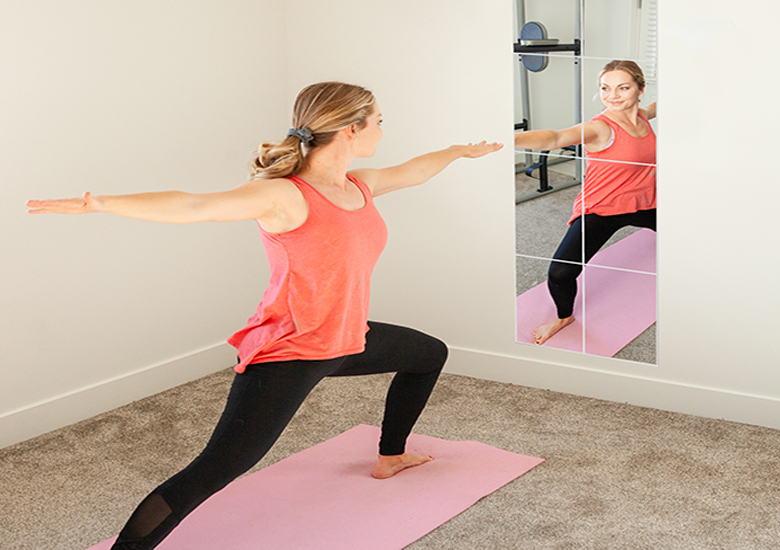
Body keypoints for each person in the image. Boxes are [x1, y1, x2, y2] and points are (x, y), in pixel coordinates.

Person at [26, 81, 502, 550]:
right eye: (379, 120)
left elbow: (415, 171)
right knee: (216, 468)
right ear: (352, 129)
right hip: (290, 352)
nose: (383, 128)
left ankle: (390, 456)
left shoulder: (360, 184)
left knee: (428, 354)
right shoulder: (284, 196)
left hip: (348, 337)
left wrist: (458, 151)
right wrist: (102, 204)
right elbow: (195, 205)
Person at [514, 60, 657, 346]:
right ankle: (564, 317)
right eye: (605, 88)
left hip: (646, 201)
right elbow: (555, 137)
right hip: (603, 209)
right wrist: (509, 139)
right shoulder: (599, 128)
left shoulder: (642, 116)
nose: (612, 96)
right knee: (561, 272)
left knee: (691, 231)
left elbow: (657, 107)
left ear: (640, 89)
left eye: (622, 88)